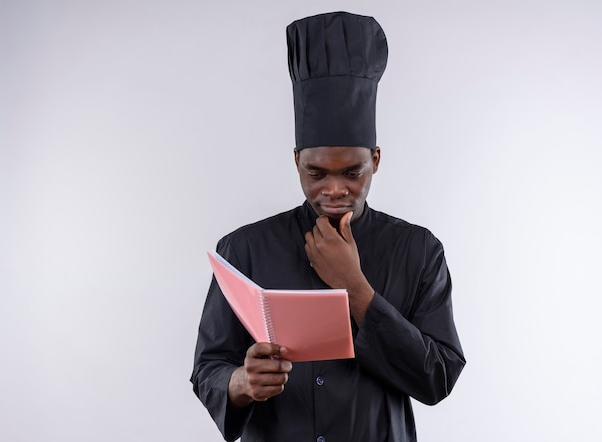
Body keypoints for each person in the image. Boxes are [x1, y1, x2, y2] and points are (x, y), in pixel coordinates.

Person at [191, 11, 465, 441]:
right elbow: (209, 367)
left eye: (352, 173)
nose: (335, 190)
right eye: (317, 174)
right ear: (296, 160)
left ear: (375, 159)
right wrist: (240, 383)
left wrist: (355, 289)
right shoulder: (244, 250)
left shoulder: (418, 251)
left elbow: (439, 376)